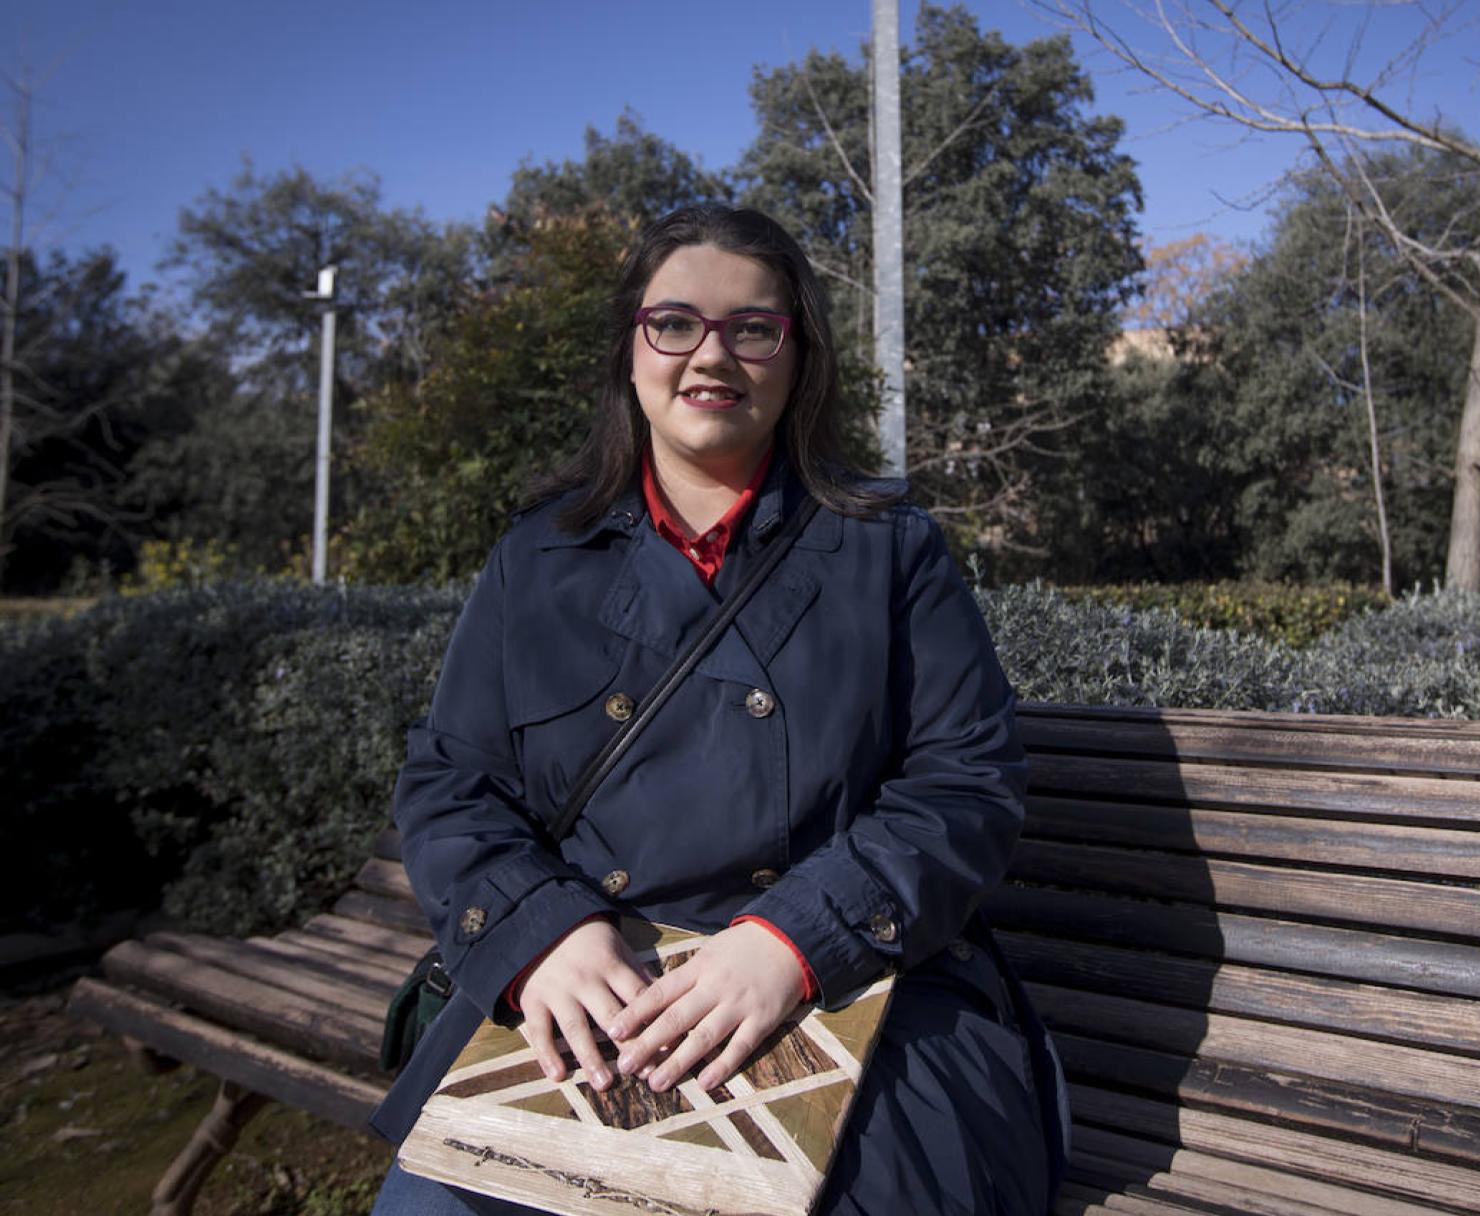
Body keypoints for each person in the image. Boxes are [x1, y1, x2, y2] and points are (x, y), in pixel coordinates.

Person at [367, 204, 1065, 1215]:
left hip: (847, 986)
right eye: (675, 323)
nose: (712, 354)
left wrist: (795, 940)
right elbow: (451, 782)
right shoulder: (537, 557)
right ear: (631, 349)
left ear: (798, 356)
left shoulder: (890, 548)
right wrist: (542, 935)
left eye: (753, 328)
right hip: (597, 992)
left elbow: (967, 785)